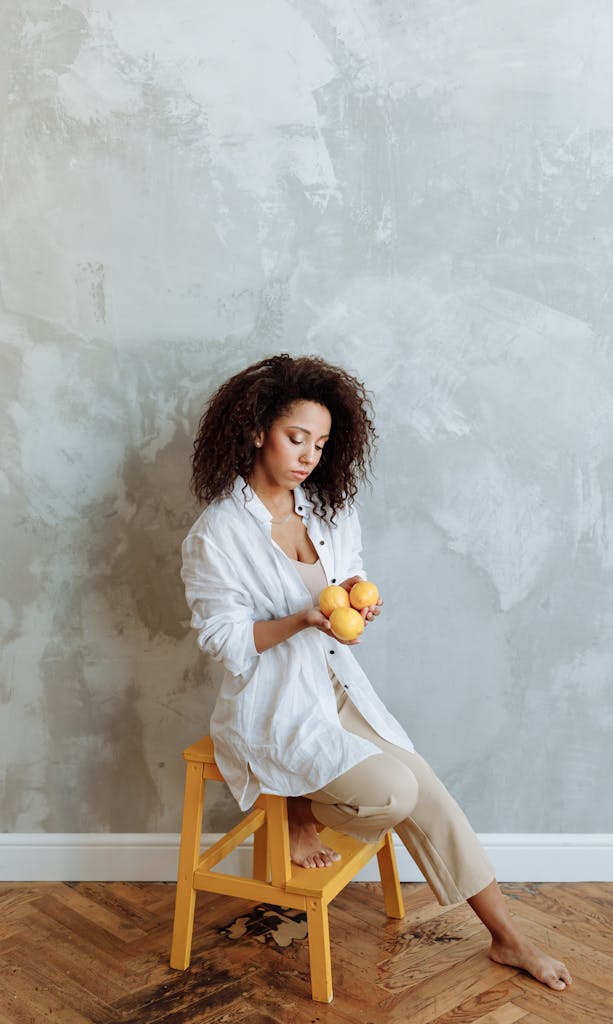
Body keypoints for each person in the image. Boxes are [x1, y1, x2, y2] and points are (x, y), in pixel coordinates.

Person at [181, 353, 572, 992]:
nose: (308, 456)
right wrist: (302, 619)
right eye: (295, 438)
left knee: (427, 789)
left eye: (320, 444)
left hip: (335, 686)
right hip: (273, 703)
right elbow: (225, 643)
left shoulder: (327, 509)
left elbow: (349, 572)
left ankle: (508, 938)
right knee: (393, 792)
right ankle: (295, 806)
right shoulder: (216, 534)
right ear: (256, 431)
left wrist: (356, 594)